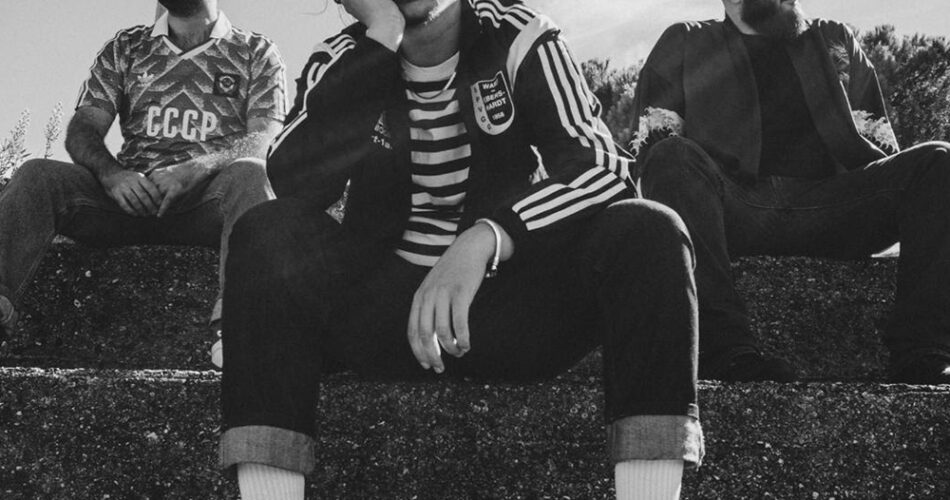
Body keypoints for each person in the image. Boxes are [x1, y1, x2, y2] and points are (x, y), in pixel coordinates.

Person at [219, 0, 704, 499]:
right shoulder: (342, 57)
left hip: (509, 310)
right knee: (267, 230)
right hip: (383, 316)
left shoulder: (518, 34)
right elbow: (293, 184)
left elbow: (604, 169)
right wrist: (381, 37)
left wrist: (489, 236)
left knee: (650, 229)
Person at [633, 0, 950, 384]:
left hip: (837, 207)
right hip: (735, 208)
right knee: (671, 156)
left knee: (939, 160)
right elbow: (653, 155)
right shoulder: (684, 41)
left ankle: (923, 355)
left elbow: (881, 151)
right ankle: (726, 352)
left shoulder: (835, 39)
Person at [0, 0, 286, 363]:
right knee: (37, 175)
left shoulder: (255, 50)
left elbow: (264, 139)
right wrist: (112, 175)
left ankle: (237, 326)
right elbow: (83, 128)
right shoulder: (127, 46)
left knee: (251, 174)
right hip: (127, 202)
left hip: (205, 205)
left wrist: (195, 169)